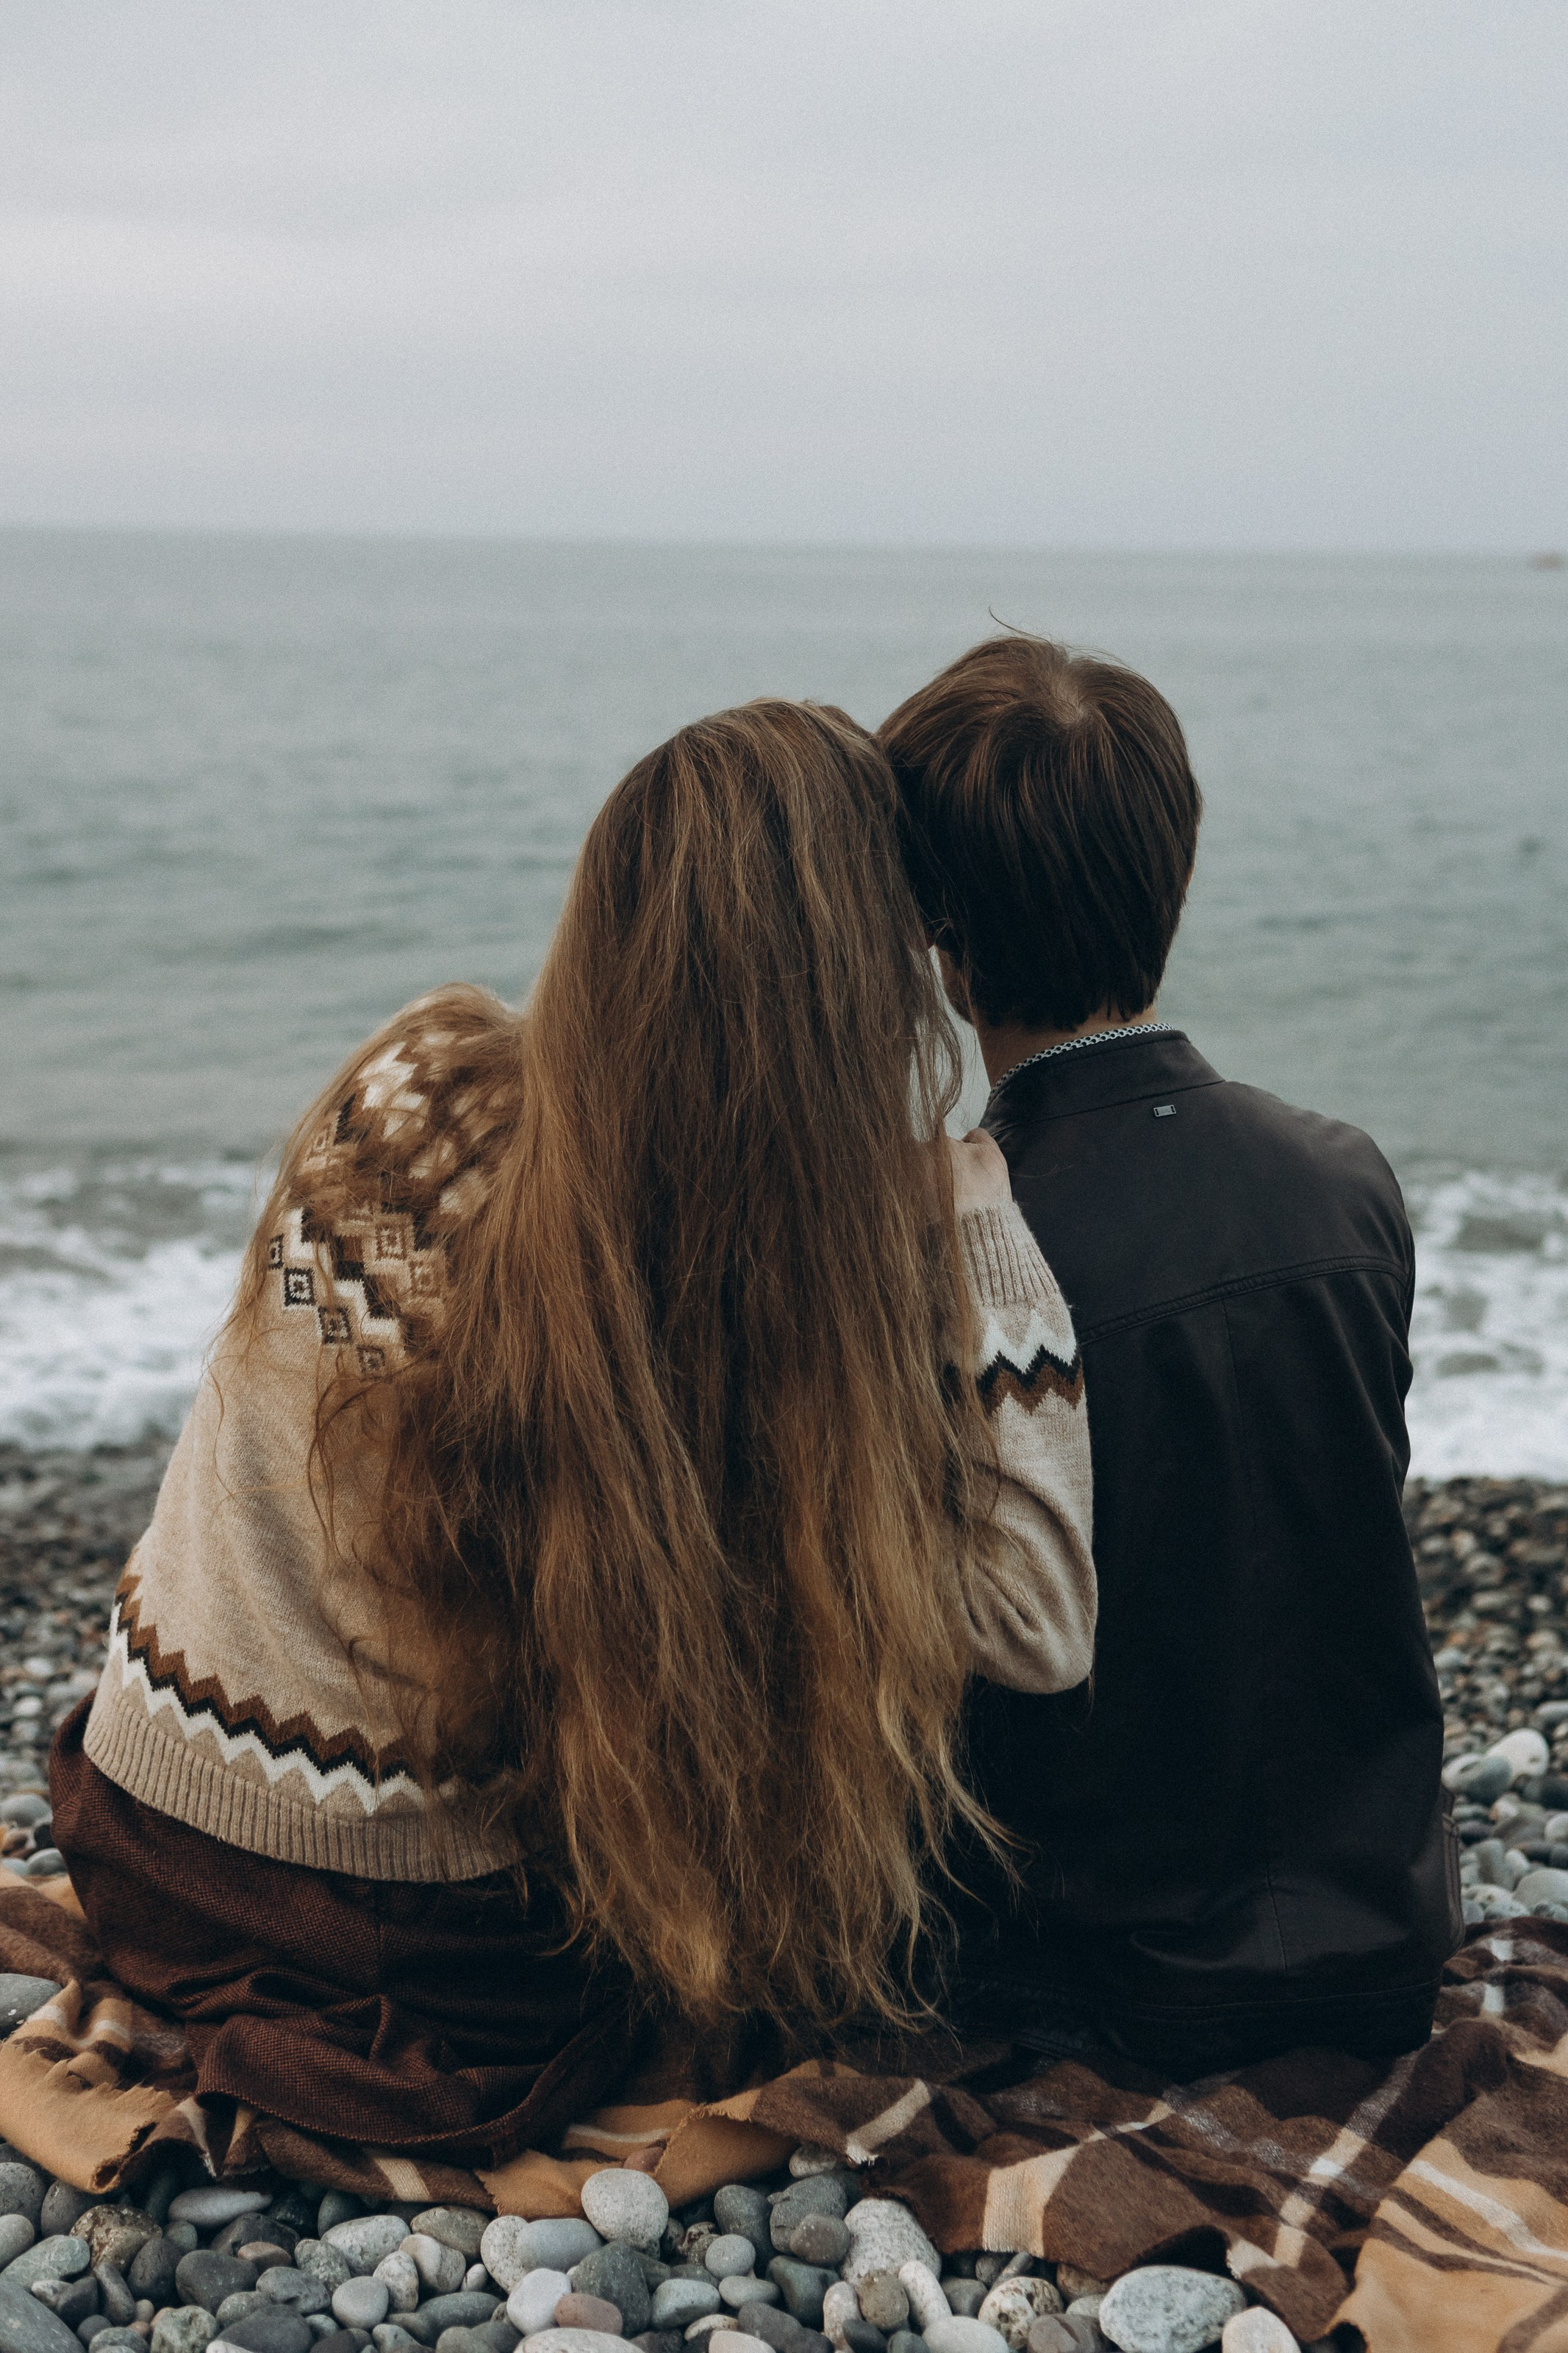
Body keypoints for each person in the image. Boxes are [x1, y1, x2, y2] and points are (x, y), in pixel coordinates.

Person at [51, 698, 1095, 2164]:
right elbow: (1040, 1624)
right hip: (420, 1954)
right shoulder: (741, 1302)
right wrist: (972, 1200)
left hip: (142, 1832)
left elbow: (302, 1376)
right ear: (856, 986)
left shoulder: (409, 1093)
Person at [881, 635, 1461, 2080]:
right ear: (1172, 879)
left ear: (939, 939)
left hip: (1086, 1978)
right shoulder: (1345, 1183)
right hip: (1380, 1938)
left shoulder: (944, 1252)